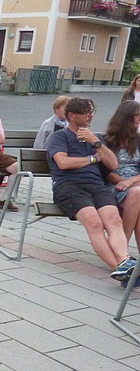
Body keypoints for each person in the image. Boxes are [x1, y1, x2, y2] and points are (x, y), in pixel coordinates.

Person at [47, 97, 136, 281]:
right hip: (68, 186)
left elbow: (112, 164)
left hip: (96, 185)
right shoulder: (60, 137)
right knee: (94, 223)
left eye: (92, 112)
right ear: (72, 116)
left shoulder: (96, 139)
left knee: (114, 220)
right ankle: (120, 268)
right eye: (86, 113)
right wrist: (93, 159)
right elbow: (63, 163)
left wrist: (95, 142)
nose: (91, 116)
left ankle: (124, 261)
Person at [103, 100, 140, 259]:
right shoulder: (108, 141)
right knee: (137, 195)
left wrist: (131, 181)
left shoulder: (138, 140)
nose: (139, 119)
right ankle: (123, 247)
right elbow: (105, 171)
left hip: (135, 183)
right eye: (137, 115)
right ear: (126, 117)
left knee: (137, 193)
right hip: (115, 186)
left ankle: (121, 251)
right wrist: (123, 182)